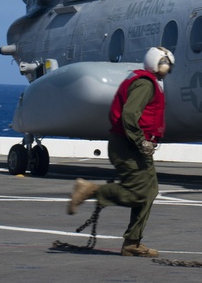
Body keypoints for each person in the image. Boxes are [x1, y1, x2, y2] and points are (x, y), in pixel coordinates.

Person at [67, 46, 175, 257]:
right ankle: (91, 190)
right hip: (129, 146)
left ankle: (132, 243)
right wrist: (140, 140)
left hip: (134, 146)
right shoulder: (144, 84)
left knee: (149, 192)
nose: (167, 68)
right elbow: (129, 115)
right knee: (138, 193)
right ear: (155, 62)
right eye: (164, 63)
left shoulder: (147, 81)